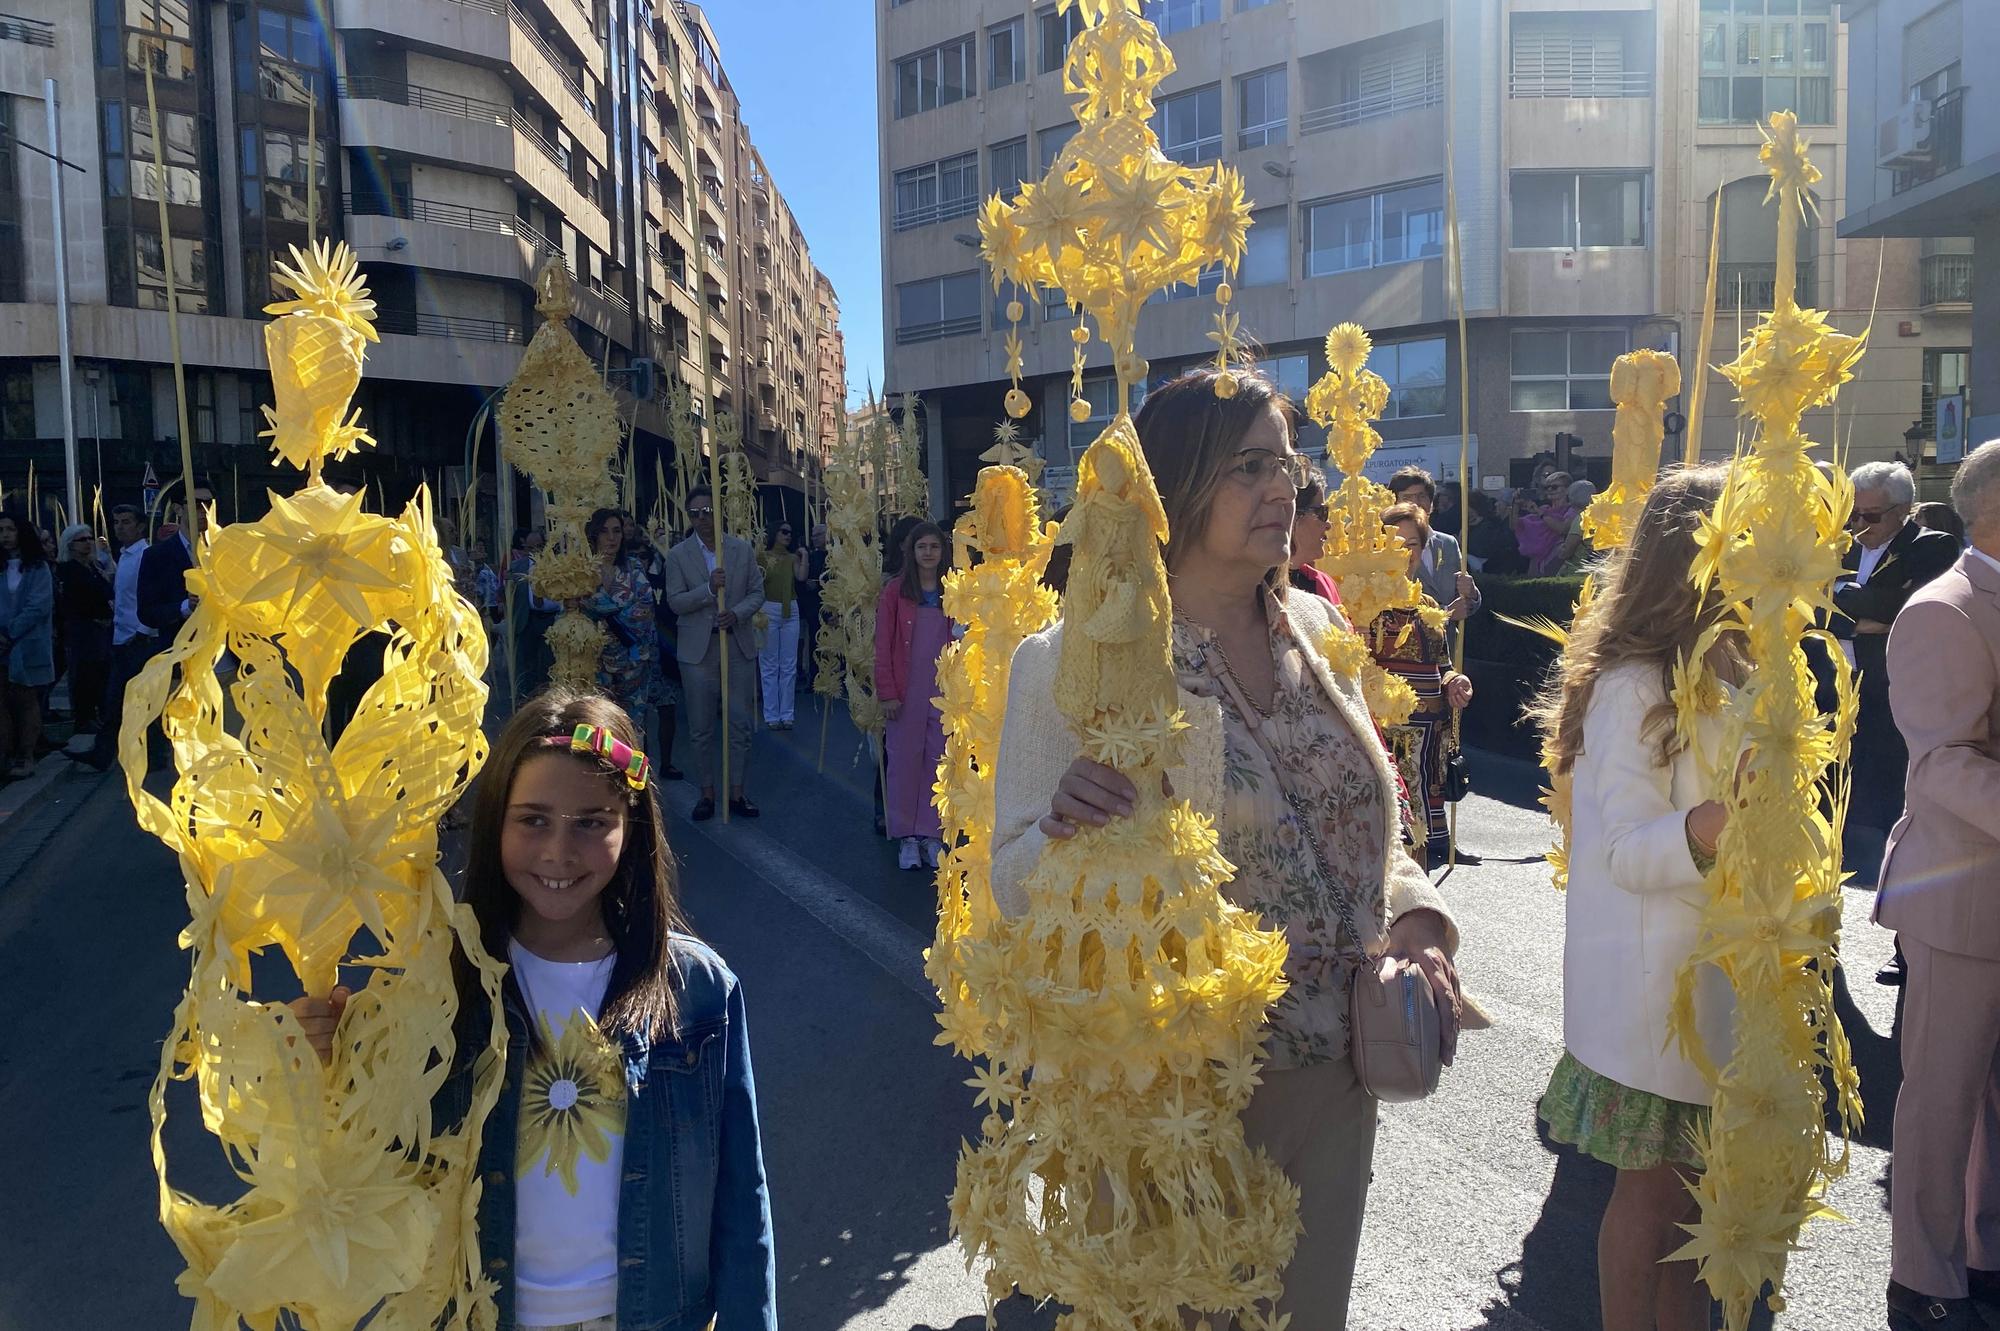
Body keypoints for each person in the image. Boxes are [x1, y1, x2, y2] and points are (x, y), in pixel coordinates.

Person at [990, 366, 1468, 1327]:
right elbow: (1010, 879)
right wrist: (1060, 830)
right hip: (1178, 1098)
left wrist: (1418, 915)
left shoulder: (1318, 625)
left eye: (1286, 464)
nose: (1281, 487)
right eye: (1249, 467)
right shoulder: (1076, 658)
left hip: (1338, 1074)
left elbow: (1364, 818)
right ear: (1178, 484)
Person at [291, 689, 778, 1331]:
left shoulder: (698, 991)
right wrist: (330, 1066)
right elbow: (387, 1168)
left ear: (631, 828)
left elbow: (741, 1202)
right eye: (533, 820)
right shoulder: (437, 992)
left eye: (592, 822)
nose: (559, 853)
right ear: (495, 823)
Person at [1530, 464, 1741, 1331]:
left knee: (1697, 1209)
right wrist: (1722, 819)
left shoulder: (1736, 662)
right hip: (1660, 998)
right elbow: (1622, 850)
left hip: (1721, 980)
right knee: (1652, 1201)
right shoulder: (1634, 685)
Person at [1874, 440, 2000, 1331]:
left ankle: (1983, 1254)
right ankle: (1922, 1277)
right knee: (1944, 1096)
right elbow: (1943, 763)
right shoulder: (1943, 608)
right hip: (1961, 902)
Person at [1833, 460, 1960, 847]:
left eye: (1870, 516)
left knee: (1886, 796)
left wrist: (1844, 601)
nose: (1859, 525)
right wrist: (1865, 618)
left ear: (1902, 510)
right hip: (1837, 691)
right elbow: (1810, 609)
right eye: (1853, 514)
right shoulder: (1839, 546)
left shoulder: (1932, 546)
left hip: (1893, 695)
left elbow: (1910, 610)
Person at [1370, 503, 1476, 869]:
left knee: (1426, 831)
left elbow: (1441, 665)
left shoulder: (1428, 603)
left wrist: (1454, 681)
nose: (1405, 553)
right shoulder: (1364, 603)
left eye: (1413, 544)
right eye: (1395, 544)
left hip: (1432, 732)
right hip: (1389, 735)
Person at [661, 486, 764, 822]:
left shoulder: (741, 549)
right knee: (701, 726)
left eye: (708, 512)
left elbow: (757, 593)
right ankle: (706, 792)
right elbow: (675, 602)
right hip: (698, 651)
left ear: (719, 513)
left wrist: (736, 613)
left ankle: (737, 791)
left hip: (736, 645)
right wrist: (707, 590)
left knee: (739, 724)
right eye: (695, 513)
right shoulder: (678, 555)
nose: (702, 519)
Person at [875, 521, 953, 872]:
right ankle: (906, 836)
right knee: (904, 762)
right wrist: (887, 693)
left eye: (934, 546)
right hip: (906, 690)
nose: (928, 553)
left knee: (938, 761)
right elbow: (882, 645)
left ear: (942, 551)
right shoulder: (895, 591)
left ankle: (932, 834)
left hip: (944, 690)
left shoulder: (954, 590)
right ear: (912, 550)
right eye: (922, 546)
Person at [74, 504, 157, 770]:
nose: (120, 527)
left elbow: (149, 597)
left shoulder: (145, 556)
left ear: (140, 526)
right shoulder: (125, 556)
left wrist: (142, 632)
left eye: (126, 522)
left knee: (130, 700)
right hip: (121, 637)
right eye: (117, 522)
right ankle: (107, 753)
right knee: (117, 701)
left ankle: (142, 755)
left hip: (137, 639)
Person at [579, 508, 663, 725]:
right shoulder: (582, 572)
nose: (611, 537)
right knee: (598, 724)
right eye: (604, 531)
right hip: (595, 664)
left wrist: (600, 611)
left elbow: (644, 610)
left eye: (616, 531)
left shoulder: (633, 567)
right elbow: (574, 614)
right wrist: (615, 610)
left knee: (632, 726)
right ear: (594, 535)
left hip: (632, 664)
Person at [1388, 465, 1481, 640]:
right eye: (1407, 497)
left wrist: (1472, 593)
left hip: (1449, 646)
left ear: (1431, 504)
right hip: (1408, 647)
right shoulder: (1386, 545)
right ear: (1394, 503)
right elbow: (1387, 608)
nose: (1415, 503)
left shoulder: (1448, 543)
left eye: (1421, 496)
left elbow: (1464, 603)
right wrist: (1446, 613)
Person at [0, 507, 56, 778]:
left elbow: (39, 606)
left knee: (26, 700)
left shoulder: (37, 567)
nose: (5, 535)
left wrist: (11, 633)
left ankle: (26, 754)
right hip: (2, 644)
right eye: (1, 530)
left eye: (10, 529)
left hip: (27, 643)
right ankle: (6, 753)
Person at [138, 476, 217, 647]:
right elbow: (147, 612)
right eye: (197, 504)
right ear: (178, 509)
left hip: (225, 649)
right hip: (181, 648)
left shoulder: (225, 550)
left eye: (209, 504)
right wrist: (185, 607)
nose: (205, 510)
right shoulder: (157, 556)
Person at [54, 525, 114, 739]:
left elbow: (106, 591)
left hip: (100, 627)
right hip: (82, 627)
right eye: (82, 540)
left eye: (89, 539)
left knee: (99, 672)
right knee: (83, 673)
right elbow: (73, 600)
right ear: (70, 544)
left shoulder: (93, 566)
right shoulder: (67, 570)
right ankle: (84, 717)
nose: (88, 543)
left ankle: (96, 713)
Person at [756, 522, 806, 730]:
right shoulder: (761, 556)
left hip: (791, 610)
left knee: (789, 665)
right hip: (769, 609)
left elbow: (801, 576)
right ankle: (771, 715)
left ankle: (787, 715)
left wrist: (805, 556)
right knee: (769, 664)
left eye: (790, 532)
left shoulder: (792, 557)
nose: (788, 535)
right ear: (774, 533)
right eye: (784, 531)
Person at [1287, 466, 1342, 605]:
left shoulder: (1323, 584)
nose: (1328, 525)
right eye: (1322, 512)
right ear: (1293, 515)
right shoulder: (1252, 587)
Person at [1513, 470, 1578, 575]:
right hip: (1537, 561)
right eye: (1547, 487)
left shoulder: (1572, 510)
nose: (1550, 490)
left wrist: (1540, 513)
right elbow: (1516, 526)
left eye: (1554, 487)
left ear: (1567, 490)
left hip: (1557, 560)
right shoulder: (1544, 509)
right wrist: (1516, 505)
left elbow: (1563, 529)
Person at [1465, 490, 1524, 574]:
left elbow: (1485, 549)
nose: (1496, 504)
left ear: (1509, 506)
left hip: (1494, 566)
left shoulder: (1494, 526)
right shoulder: (1495, 522)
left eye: (1500, 501)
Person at [1556, 478, 1600, 575]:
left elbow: (1567, 551)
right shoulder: (1604, 516)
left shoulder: (1582, 519)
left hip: (1580, 571)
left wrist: (1560, 549)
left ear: (1571, 498)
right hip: (1600, 569)